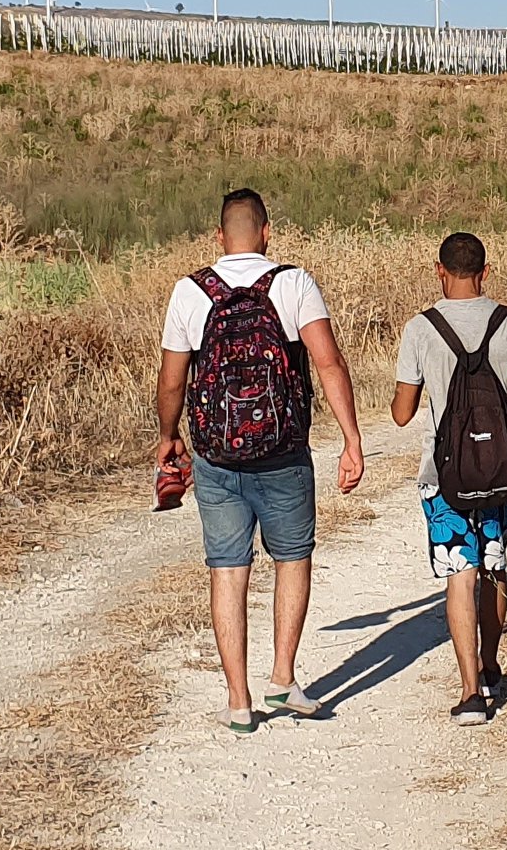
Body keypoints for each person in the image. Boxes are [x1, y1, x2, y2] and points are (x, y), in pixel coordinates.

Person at [152, 188, 366, 735]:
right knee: (292, 557)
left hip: (216, 457)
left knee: (227, 568)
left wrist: (168, 436)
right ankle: (281, 678)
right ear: (267, 233)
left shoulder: (190, 291)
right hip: (284, 453)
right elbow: (328, 361)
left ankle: (238, 699)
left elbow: (173, 377)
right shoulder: (293, 282)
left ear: (220, 238)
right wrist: (351, 439)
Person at [392, 233, 507, 726]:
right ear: (485, 271)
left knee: (459, 573)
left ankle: (469, 694)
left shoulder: (421, 329)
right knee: (494, 566)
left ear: (439, 270)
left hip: (443, 477)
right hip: (502, 470)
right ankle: (489, 666)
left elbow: (401, 414)